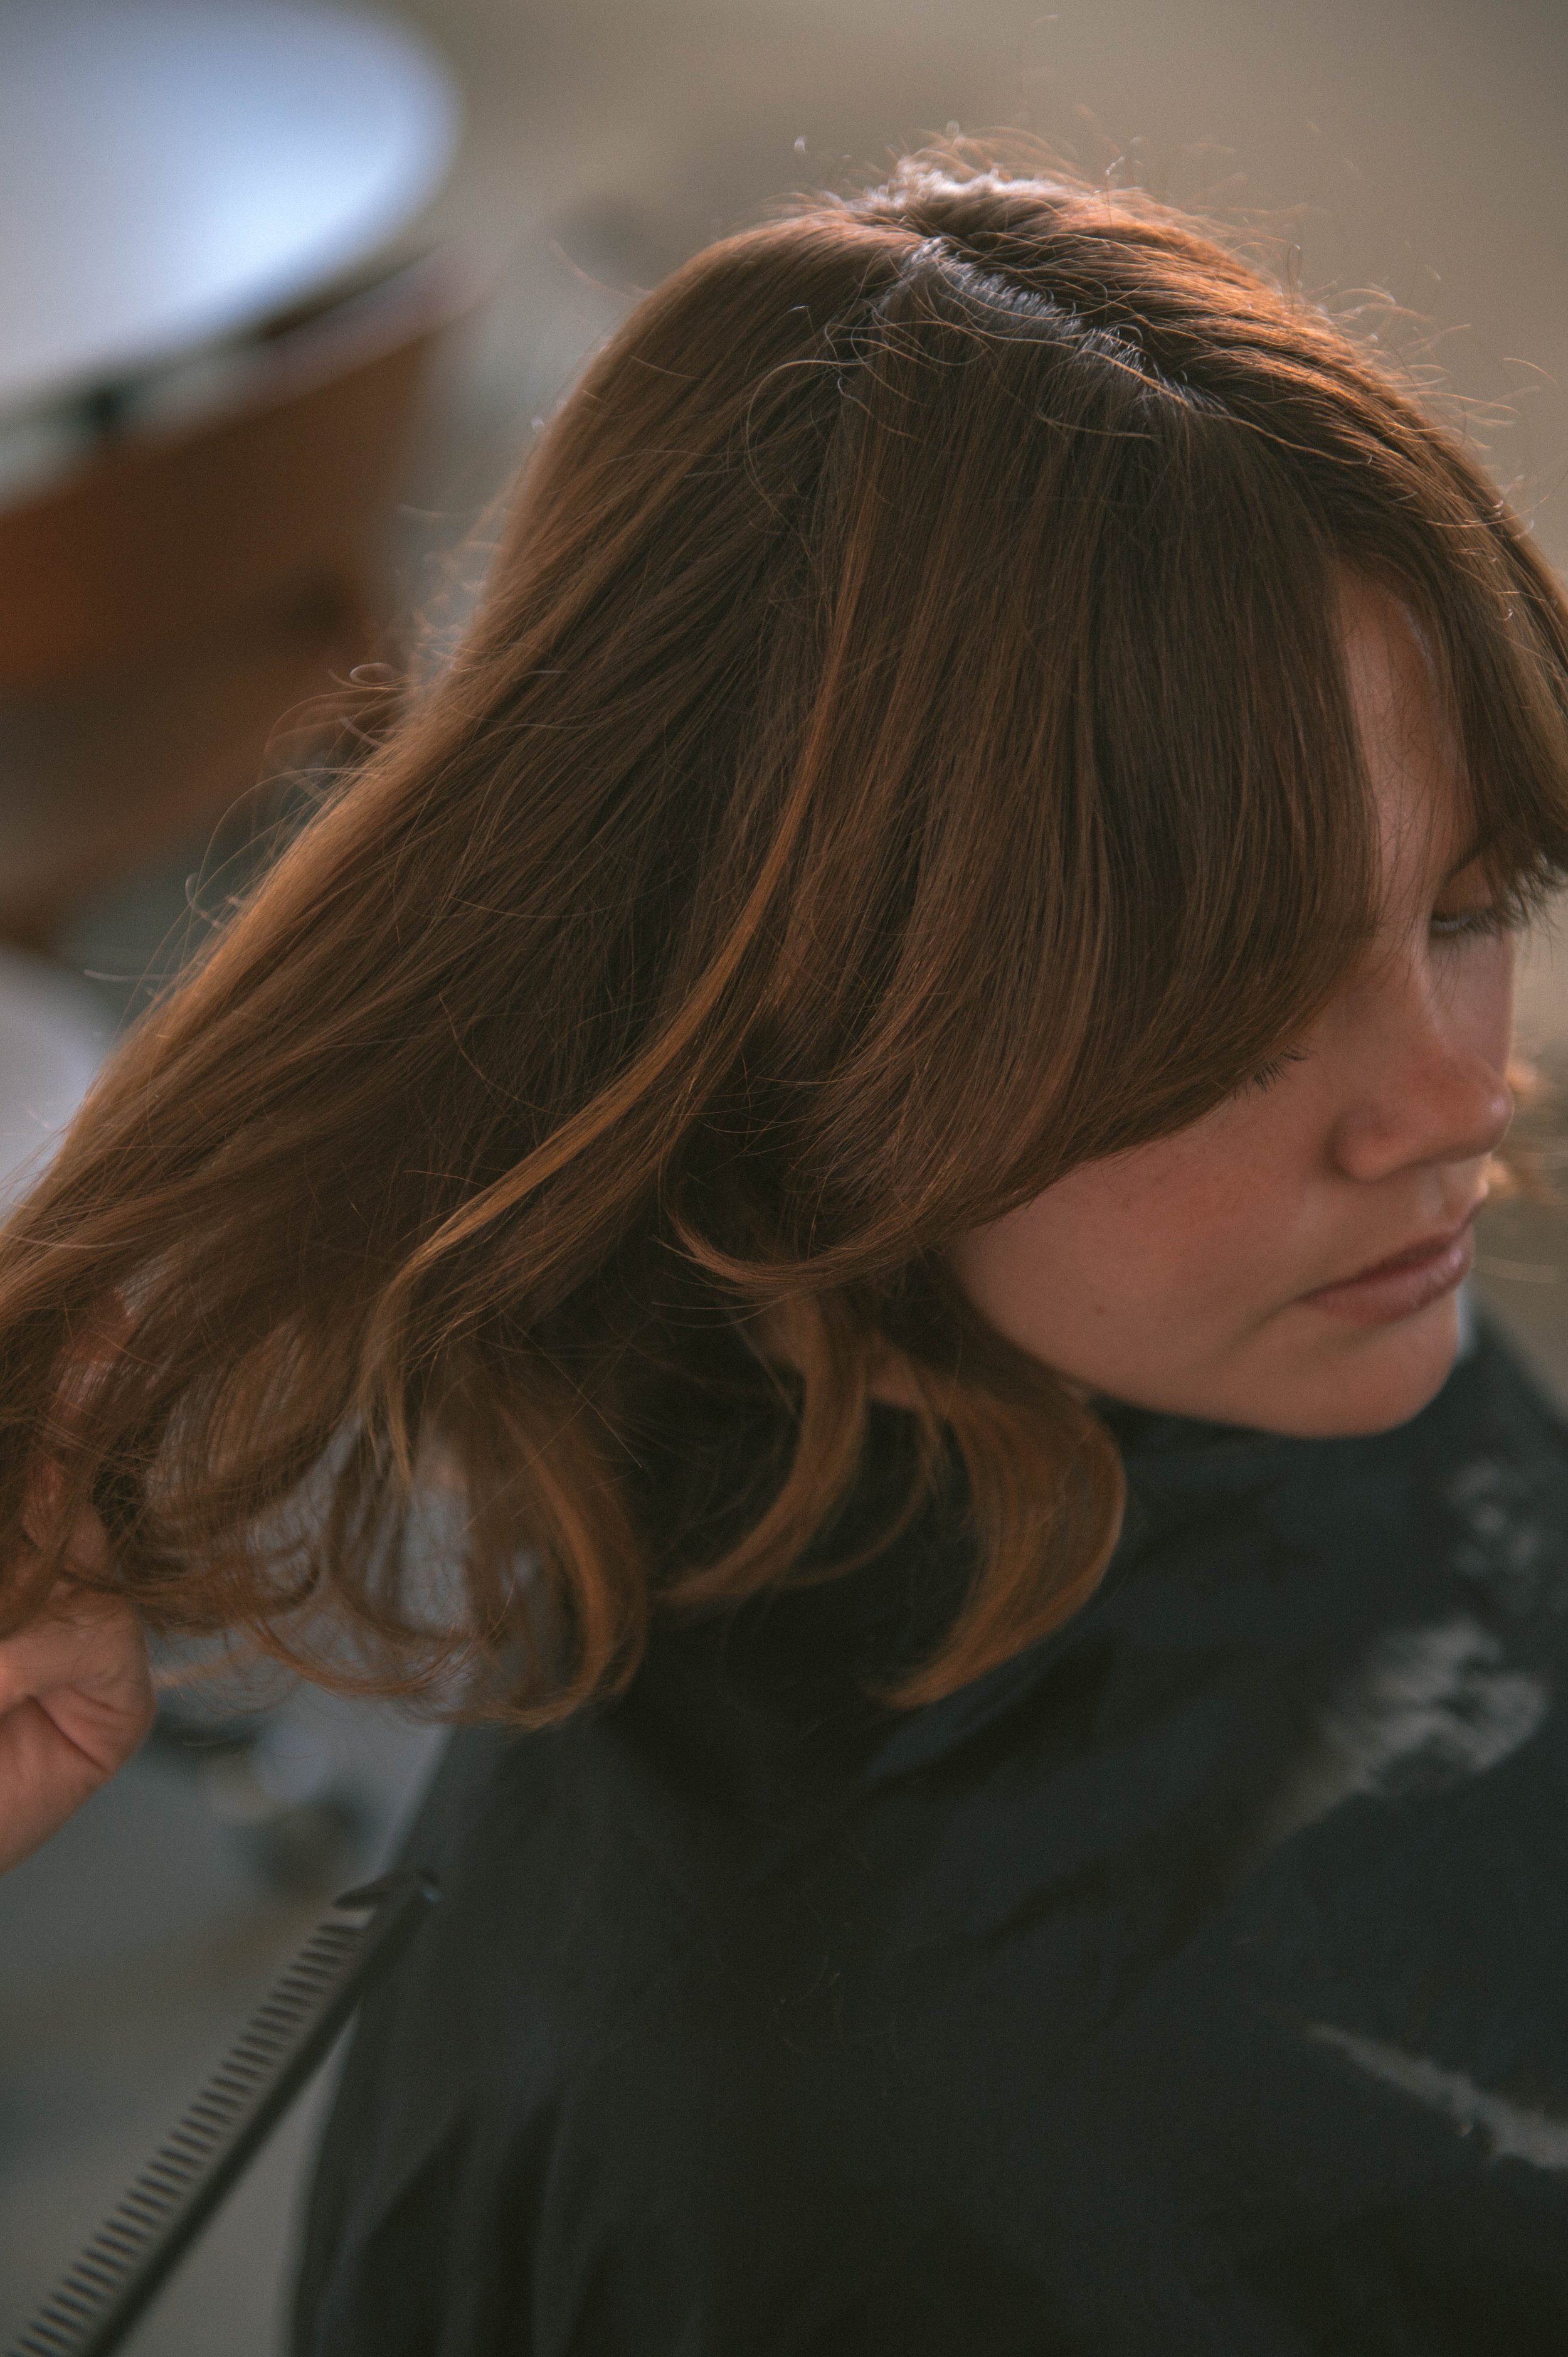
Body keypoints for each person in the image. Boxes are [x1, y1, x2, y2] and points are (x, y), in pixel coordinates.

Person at [3, 144, 1568, 2353]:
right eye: (1228, 1005)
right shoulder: (773, 2146)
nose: (1449, 1106)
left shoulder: (1250, 1329)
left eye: (1470, 906)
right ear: (785, 1024)